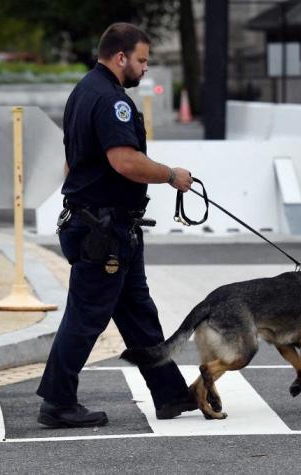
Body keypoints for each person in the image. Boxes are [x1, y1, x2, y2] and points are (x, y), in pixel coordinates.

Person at [36, 23, 195, 428]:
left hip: (107, 226)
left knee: (139, 313)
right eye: (142, 60)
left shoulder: (83, 90)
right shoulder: (111, 100)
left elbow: (74, 160)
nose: (145, 68)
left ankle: (172, 395)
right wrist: (171, 174)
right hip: (103, 231)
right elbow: (124, 160)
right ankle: (57, 402)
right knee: (86, 316)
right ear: (121, 57)